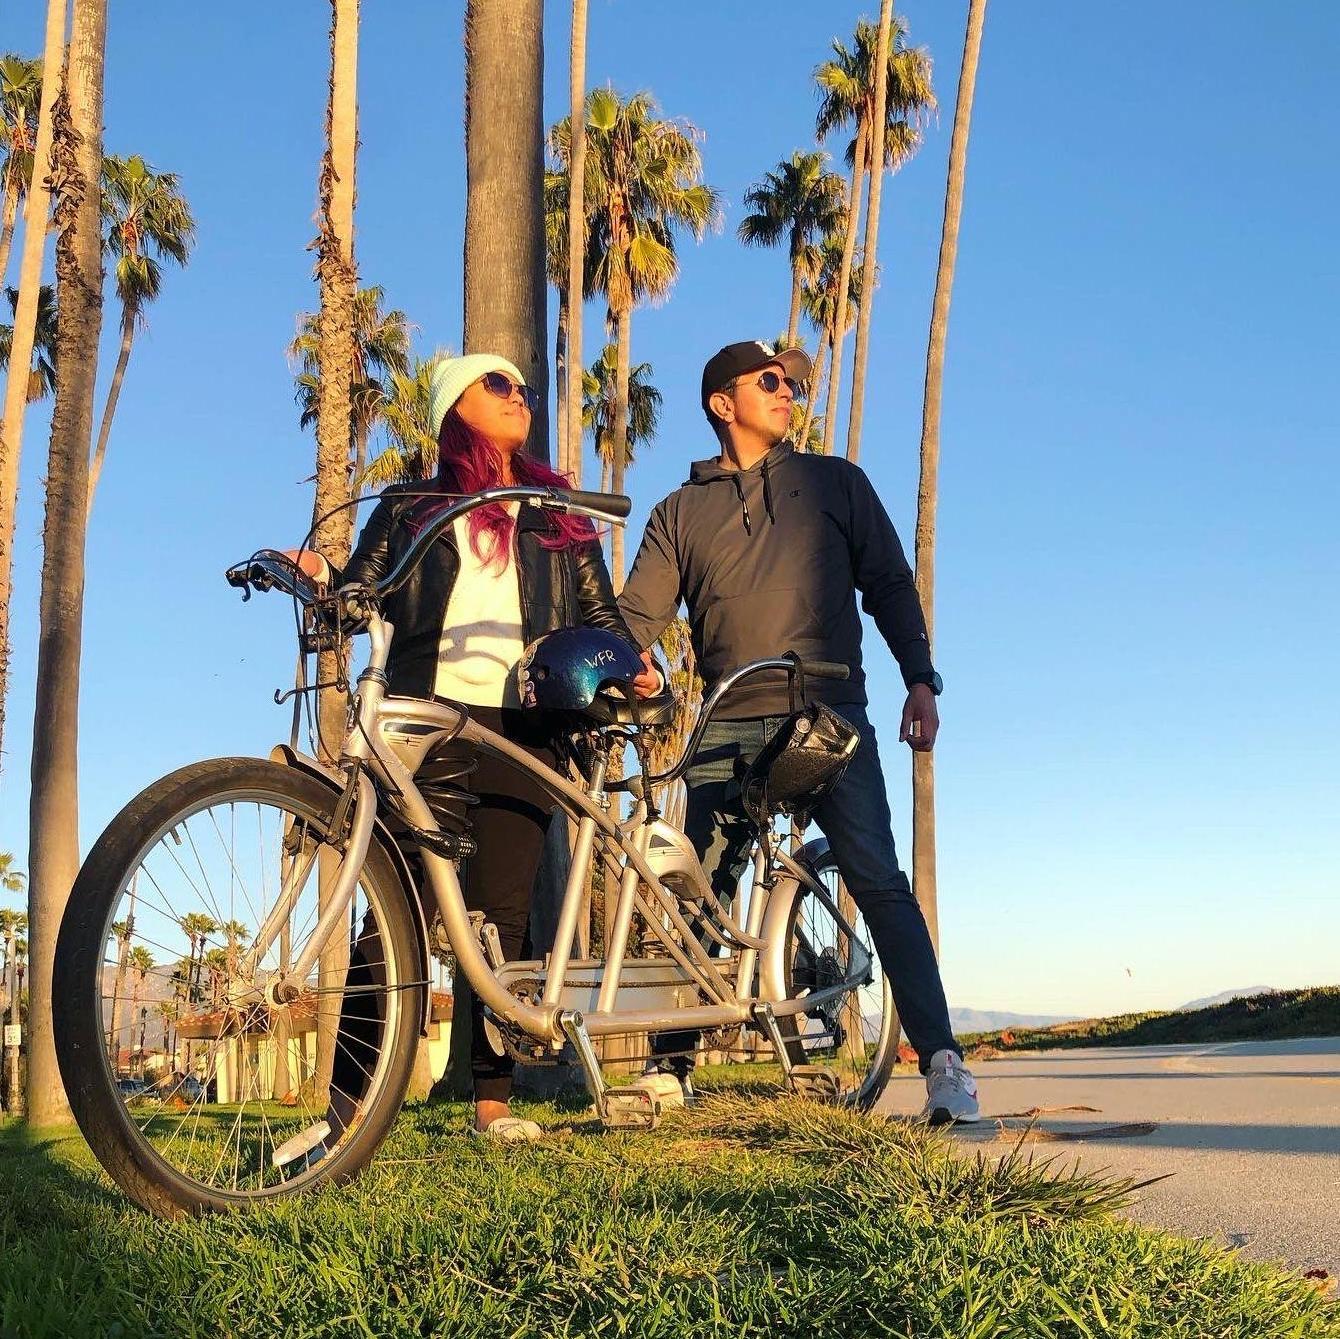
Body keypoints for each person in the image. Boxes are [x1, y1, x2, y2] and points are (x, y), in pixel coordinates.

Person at [275, 352, 656, 1160]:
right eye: (499, 385)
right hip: (427, 720)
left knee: (503, 916)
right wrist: (322, 575)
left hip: (528, 723)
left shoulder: (556, 510)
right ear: (455, 405)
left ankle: (492, 1101)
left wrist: (633, 660)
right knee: (393, 912)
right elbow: (364, 587)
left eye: (524, 386)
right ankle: (345, 1114)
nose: (520, 397)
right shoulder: (414, 504)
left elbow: (597, 609)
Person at [617, 339, 980, 1124]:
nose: (787, 392)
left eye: (789, 382)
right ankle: (670, 1067)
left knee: (879, 881)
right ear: (723, 402)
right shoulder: (678, 513)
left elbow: (887, 583)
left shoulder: (835, 482)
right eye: (769, 381)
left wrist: (920, 676)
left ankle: (945, 1063)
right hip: (727, 721)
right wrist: (615, 656)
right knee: (699, 893)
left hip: (829, 711)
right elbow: (637, 617)